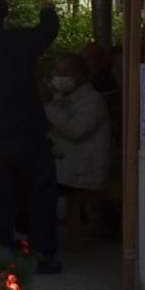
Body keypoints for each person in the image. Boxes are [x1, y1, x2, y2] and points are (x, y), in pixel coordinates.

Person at [0, 0, 62, 271]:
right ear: (5, 17)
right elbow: (47, 32)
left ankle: (1, 249)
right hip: (26, 129)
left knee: (0, 193)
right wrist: (47, 10)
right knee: (40, 192)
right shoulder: (17, 40)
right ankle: (43, 254)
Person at [45, 54, 113, 191]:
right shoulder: (62, 98)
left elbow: (75, 131)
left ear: (82, 74)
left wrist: (48, 104)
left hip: (82, 177)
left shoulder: (93, 100)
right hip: (64, 172)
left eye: (67, 71)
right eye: (58, 71)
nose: (61, 75)